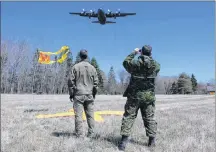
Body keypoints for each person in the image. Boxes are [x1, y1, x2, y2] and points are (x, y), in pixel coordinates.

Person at [118, 45, 160, 151]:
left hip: (134, 96)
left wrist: (134, 52)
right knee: (149, 118)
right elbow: (156, 66)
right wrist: (148, 56)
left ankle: (123, 142)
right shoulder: (156, 65)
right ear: (151, 53)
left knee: (129, 117)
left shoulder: (135, 64)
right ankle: (151, 141)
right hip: (148, 97)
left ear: (141, 52)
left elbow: (125, 62)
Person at [68, 49, 98, 138]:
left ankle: (80, 135)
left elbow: (70, 82)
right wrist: (94, 94)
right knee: (90, 116)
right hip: (89, 94)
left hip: (78, 94)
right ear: (87, 56)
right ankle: (91, 134)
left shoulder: (75, 67)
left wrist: (71, 94)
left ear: (80, 56)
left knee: (78, 116)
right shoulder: (92, 68)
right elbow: (96, 84)